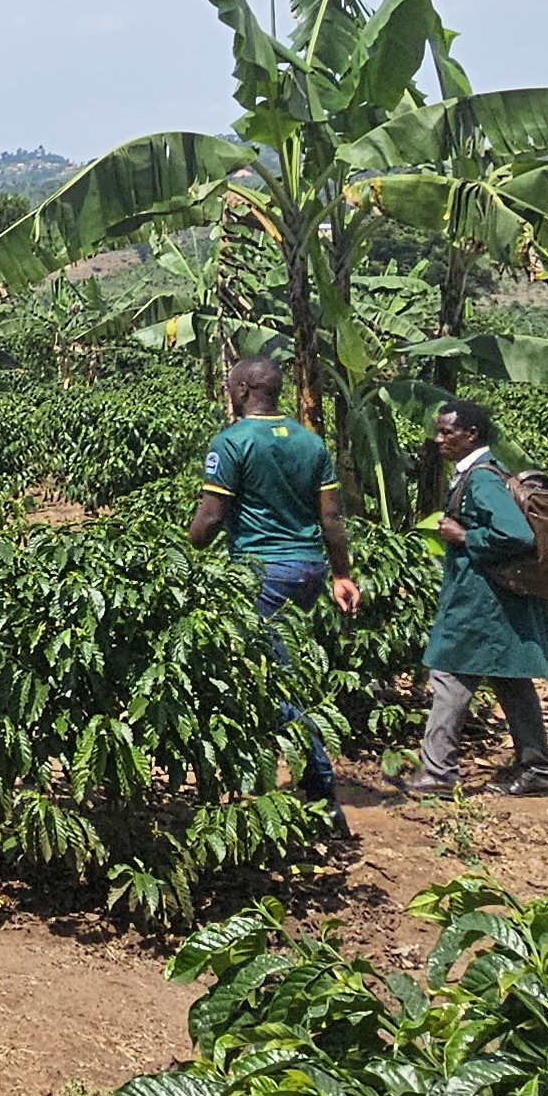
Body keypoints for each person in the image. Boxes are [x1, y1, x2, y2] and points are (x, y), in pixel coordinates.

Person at [187, 354, 360, 833]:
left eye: (230, 385)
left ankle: (322, 797)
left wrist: (181, 549)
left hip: (261, 573)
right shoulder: (310, 442)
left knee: (276, 683)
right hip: (308, 570)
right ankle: (263, 781)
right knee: (277, 671)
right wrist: (341, 575)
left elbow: (210, 519)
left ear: (243, 390)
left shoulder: (232, 442)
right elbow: (331, 519)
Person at [412, 395, 548, 799]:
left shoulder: (480, 478)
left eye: (447, 432)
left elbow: (516, 534)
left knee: (449, 676)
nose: (438, 440)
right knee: (510, 681)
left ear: (471, 434)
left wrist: (464, 536)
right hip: (493, 601)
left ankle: (438, 773)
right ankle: (538, 769)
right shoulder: (484, 472)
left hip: (479, 603)